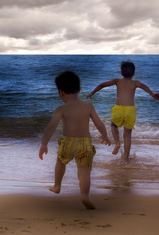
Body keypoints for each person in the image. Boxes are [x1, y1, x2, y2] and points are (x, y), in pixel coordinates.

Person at [39, 71, 111, 210]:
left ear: (61, 92)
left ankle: (57, 185)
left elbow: (52, 125)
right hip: (85, 144)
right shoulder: (88, 107)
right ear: (79, 90)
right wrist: (105, 136)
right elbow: (99, 124)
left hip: (68, 143)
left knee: (60, 161)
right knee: (84, 172)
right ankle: (84, 196)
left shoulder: (61, 108)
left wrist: (44, 143)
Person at [87, 61, 159, 160]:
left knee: (113, 125)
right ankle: (126, 157)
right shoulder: (135, 83)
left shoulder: (117, 81)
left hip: (119, 108)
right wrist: (152, 94)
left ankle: (117, 143)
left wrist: (93, 92)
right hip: (130, 110)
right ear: (133, 73)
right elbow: (145, 87)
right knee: (127, 134)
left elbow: (102, 85)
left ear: (121, 72)